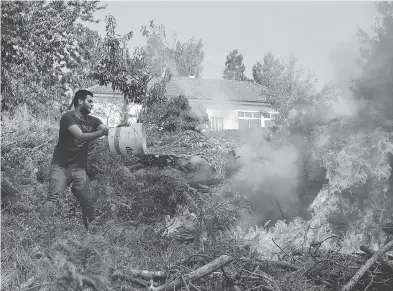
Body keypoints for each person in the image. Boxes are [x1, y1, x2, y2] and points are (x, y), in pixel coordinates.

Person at [39, 89, 108, 230]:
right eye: (90, 101)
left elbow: (106, 130)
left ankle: (93, 236)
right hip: (61, 167)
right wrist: (101, 133)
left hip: (79, 169)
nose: (92, 105)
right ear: (79, 101)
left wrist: (120, 130)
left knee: (87, 200)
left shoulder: (94, 121)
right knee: (53, 200)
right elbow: (80, 136)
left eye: (92, 102)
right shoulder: (67, 118)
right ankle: (40, 232)